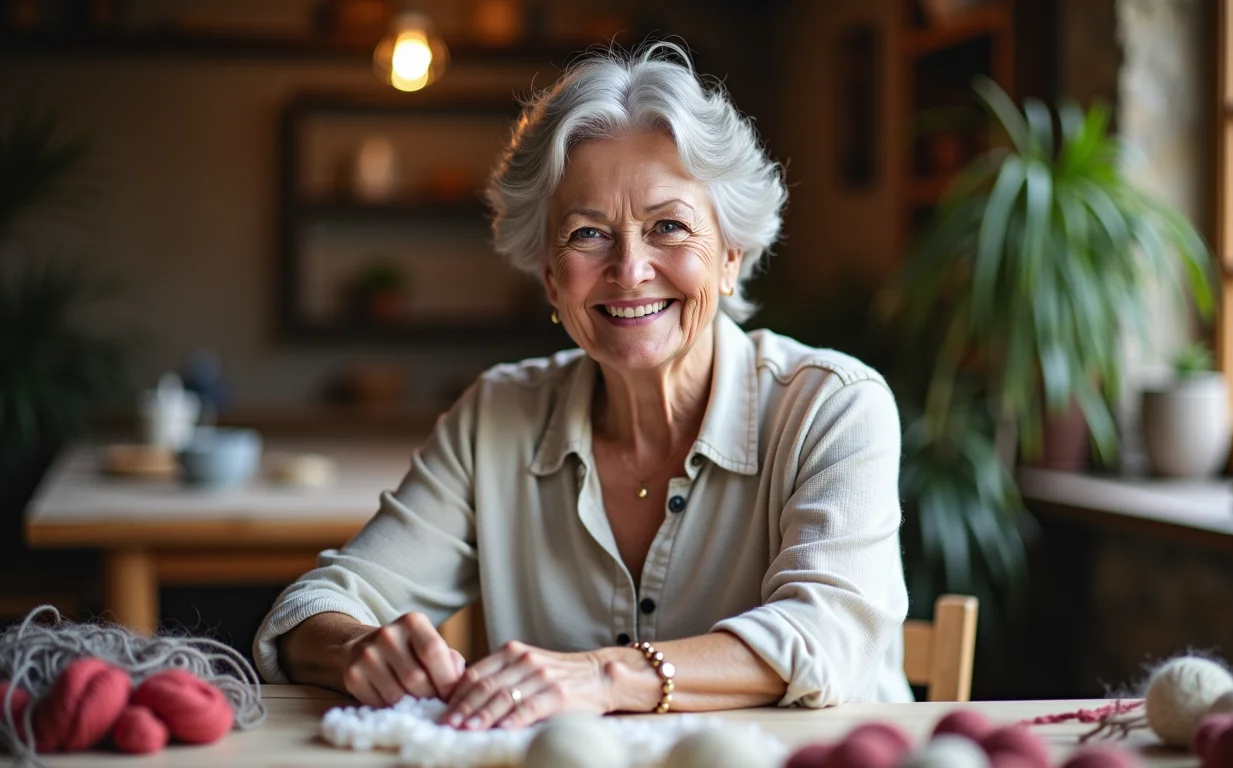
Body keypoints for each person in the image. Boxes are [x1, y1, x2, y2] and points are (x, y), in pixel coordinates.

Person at [254, 42, 912, 731]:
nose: (629, 269)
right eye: (588, 234)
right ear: (549, 278)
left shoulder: (833, 406)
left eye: (668, 226)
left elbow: (827, 632)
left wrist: (605, 675)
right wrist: (358, 648)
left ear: (729, 257)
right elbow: (311, 609)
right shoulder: (496, 418)